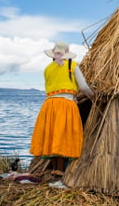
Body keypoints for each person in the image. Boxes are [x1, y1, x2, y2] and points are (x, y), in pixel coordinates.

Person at [30, 41, 94, 176]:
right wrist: (92, 95)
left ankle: (55, 167)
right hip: (65, 103)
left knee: (52, 133)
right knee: (63, 133)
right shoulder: (72, 65)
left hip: (49, 104)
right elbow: (83, 86)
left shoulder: (47, 69)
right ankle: (59, 169)